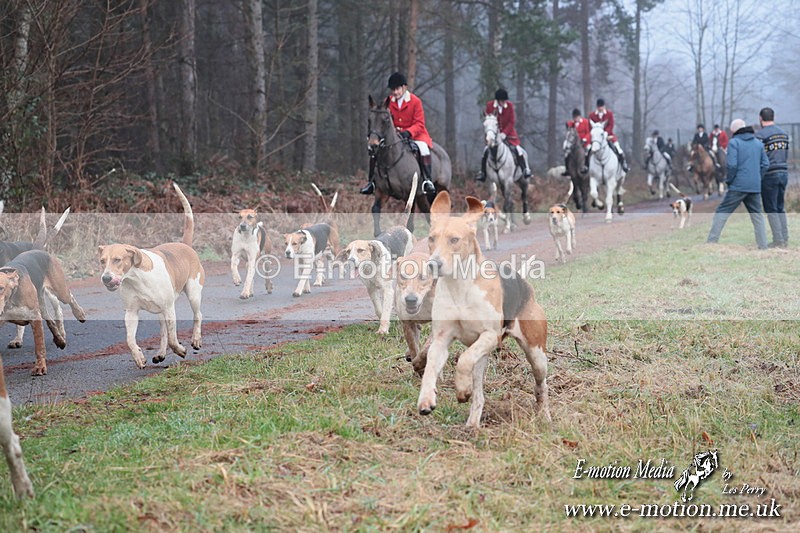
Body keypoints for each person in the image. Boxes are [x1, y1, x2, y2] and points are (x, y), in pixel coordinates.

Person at [361, 72, 436, 195]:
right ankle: (372, 182)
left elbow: (419, 124)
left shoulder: (415, 101)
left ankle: (427, 181)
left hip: (416, 135)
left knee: (423, 149)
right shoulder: (388, 101)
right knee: (375, 151)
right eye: (392, 90)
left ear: (404, 87)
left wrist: (408, 132)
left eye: (397, 89)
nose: (395, 92)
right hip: (395, 136)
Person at [706, 119, 769, 250]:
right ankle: (763, 246)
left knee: (722, 212)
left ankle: (711, 242)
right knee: (757, 217)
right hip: (754, 186)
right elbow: (765, 164)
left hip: (738, 186)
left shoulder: (734, 143)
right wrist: (757, 178)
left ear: (733, 131)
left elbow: (732, 165)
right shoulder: (758, 143)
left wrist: (729, 180)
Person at [477, 88, 532, 181]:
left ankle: (525, 170)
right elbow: (489, 121)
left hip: (509, 134)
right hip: (494, 135)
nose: (504, 102)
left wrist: (504, 133)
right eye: (502, 101)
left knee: (518, 150)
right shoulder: (490, 105)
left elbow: (511, 121)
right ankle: (482, 173)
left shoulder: (509, 106)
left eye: (504, 100)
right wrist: (494, 134)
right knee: (485, 151)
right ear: (497, 100)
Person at [756, 107, 790, 248]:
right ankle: (784, 236)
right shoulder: (784, 134)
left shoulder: (760, 136)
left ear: (760, 118)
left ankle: (778, 240)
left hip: (769, 174)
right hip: (783, 172)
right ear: (773, 117)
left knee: (771, 208)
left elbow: (758, 157)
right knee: (780, 207)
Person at [584, 98, 629, 173]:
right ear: (597, 107)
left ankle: (623, 164)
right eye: (599, 107)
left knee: (618, 148)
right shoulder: (592, 115)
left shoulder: (609, 114)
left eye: (601, 107)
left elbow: (611, 125)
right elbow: (590, 127)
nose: (600, 108)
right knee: (588, 150)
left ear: (604, 106)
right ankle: (586, 166)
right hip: (597, 138)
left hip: (609, 136)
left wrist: (606, 133)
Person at [561, 108, 590, 176]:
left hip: (584, 142)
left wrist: (585, 139)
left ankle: (586, 166)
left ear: (579, 116)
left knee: (588, 152)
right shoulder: (571, 123)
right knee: (567, 153)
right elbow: (569, 130)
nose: (575, 119)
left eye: (576, 117)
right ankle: (567, 169)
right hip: (574, 143)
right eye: (574, 117)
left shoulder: (585, 122)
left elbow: (588, 133)